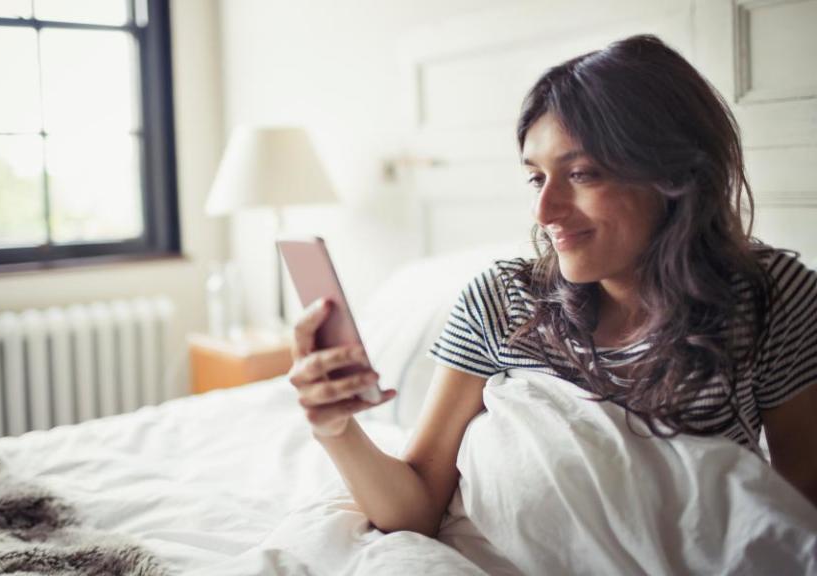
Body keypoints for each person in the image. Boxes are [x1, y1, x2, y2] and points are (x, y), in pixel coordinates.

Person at [286, 34, 817, 537]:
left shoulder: (771, 296)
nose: (545, 211)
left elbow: (796, 515)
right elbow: (418, 504)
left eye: (582, 174)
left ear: (674, 176)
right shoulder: (500, 301)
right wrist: (335, 428)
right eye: (536, 178)